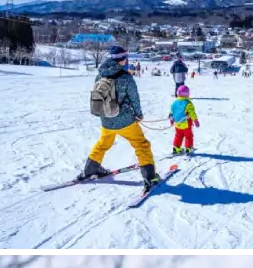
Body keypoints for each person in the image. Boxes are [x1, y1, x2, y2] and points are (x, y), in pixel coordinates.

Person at [81, 45, 161, 190]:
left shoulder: (100, 75)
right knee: (141, 145)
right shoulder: (125, 77)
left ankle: (90, 170)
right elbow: (134, 98)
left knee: (103, 144)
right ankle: (150, 177)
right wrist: (138, 114)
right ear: (123, 59)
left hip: (106, 118)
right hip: (125, 120)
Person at [169, 84, 200, 155]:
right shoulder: (188, 103)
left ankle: (176, 148)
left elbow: (172, 112)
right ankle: (189, 148)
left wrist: (171, 120)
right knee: (188, 136)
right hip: (186, 124)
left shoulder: (174, 103)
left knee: (178, 135)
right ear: (187, 94)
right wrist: (195, 121)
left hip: (178, 124)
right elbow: (192, 113)